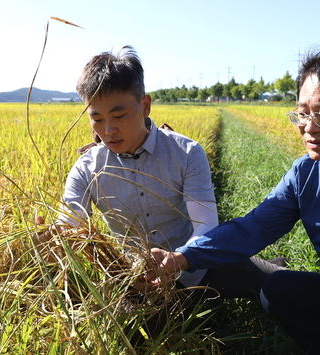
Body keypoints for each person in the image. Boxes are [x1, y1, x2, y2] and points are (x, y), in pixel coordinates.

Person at [150, 47, 320, 354]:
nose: (309, 126)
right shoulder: (306, 173)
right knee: (279, 290)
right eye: (303, 112)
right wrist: (183, 257)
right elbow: (253, 227)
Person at [49, 45, 283, 298]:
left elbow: (205, 223)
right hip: (138, 279)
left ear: (145, 105)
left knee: (278, 285)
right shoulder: (87, 167)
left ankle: (271, 265)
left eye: (119, 116)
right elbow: (71, 222)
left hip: (199, 265)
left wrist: (180, 259)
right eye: (97, 118)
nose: (108, 130)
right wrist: (56, 235)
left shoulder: (186, 152)